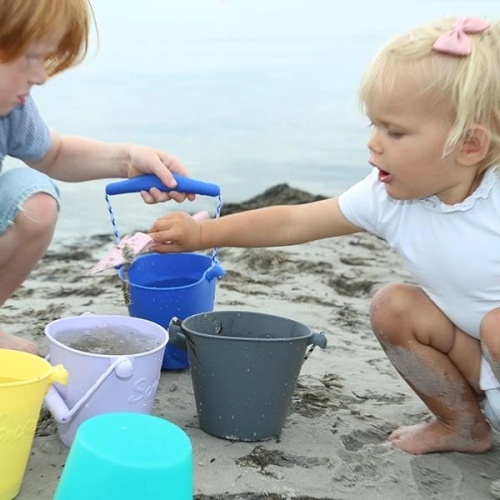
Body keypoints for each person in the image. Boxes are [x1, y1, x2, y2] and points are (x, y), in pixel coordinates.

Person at [149, 16, 500, 455]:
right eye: (373, 125)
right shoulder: (387, 199)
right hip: (480, 366)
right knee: (394, 306)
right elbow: (294, 222)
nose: (374, 143)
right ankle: (464, 423)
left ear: (470, 145)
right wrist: (203, 234)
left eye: (395, 131)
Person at [0, 0, 192, 355]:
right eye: (30, 56)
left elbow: (55, 154)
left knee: (36, 202)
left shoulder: (11, 109)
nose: (41, 76)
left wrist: (127, 160)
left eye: (46, 59)